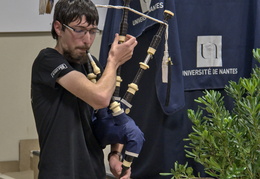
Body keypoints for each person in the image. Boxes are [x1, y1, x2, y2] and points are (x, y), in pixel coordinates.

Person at [31, 0, 137, 178]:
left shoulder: (92, 64)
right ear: (58, 28)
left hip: (93, 172)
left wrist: (114, 154)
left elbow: (114, 115)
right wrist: (114, 61)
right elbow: (100, 97)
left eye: (92, 31)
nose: (87, 39)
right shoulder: (47, 60)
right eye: (79, 30)